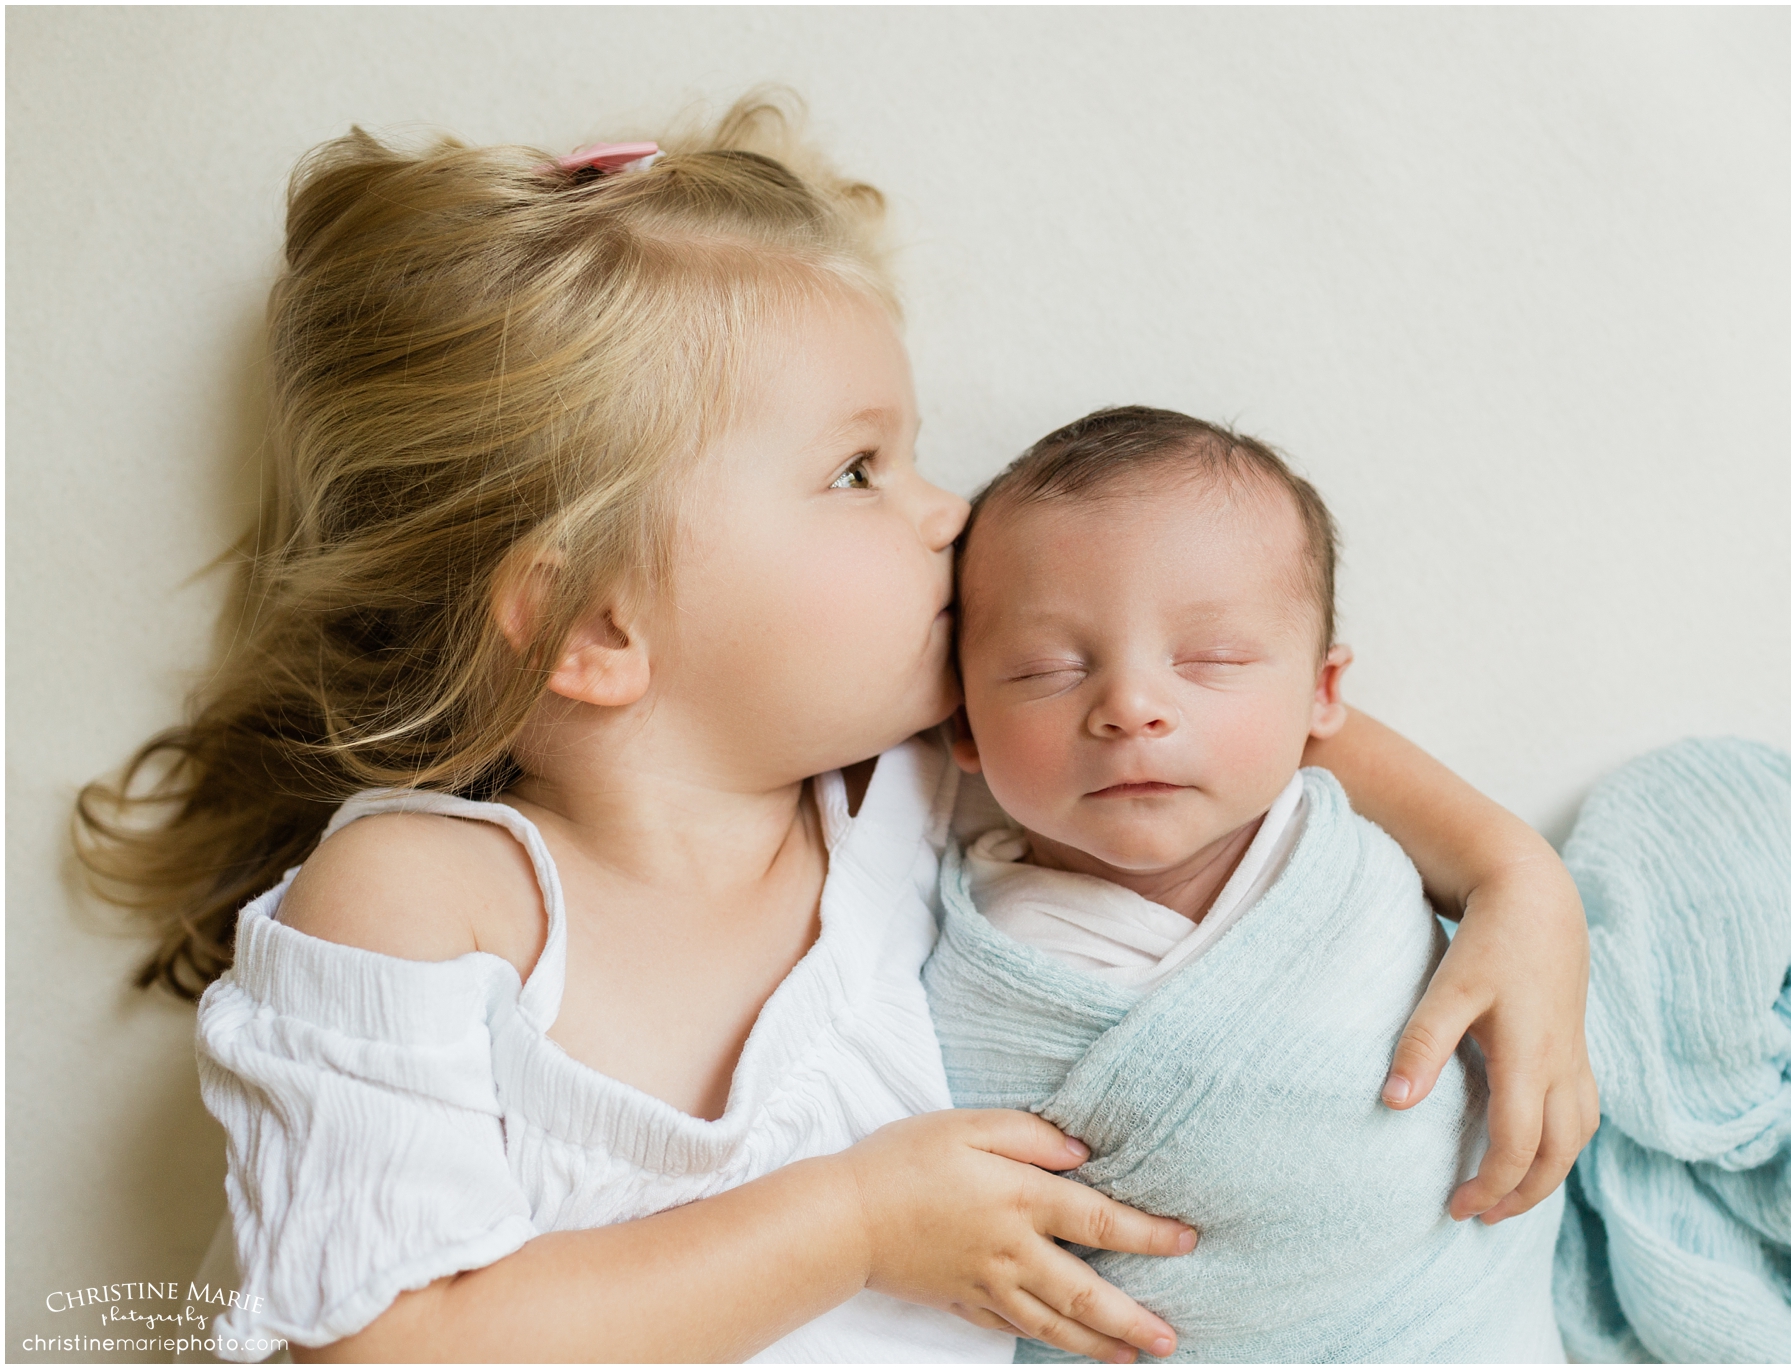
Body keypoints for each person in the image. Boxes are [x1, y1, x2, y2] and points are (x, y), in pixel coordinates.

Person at [73, 95, 1595, 1364]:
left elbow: (1243, 715)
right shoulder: (427, 899)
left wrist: (1515, 877)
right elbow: (386, 1345)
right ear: (602, 627)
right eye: (863, 471)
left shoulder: (912, 797)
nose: (955, 515)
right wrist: (854, 1224)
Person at [927, 406, 1569, 1361]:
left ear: (1322, 694)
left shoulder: (1344, 853)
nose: (1131, 707)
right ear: (964, 725)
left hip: (1449, 1312)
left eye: (1212, 659)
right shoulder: (967, 964)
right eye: (1047, 668)